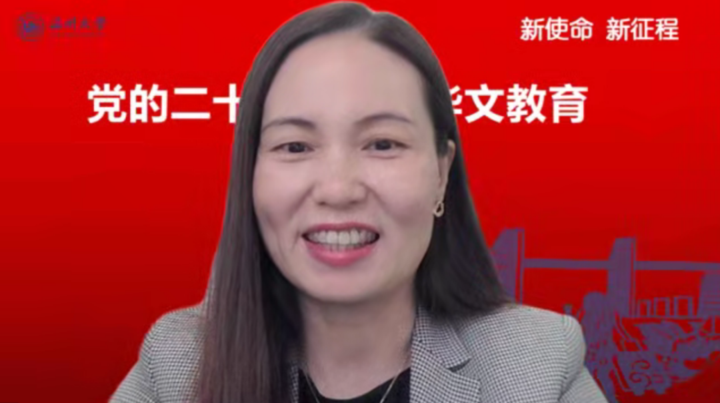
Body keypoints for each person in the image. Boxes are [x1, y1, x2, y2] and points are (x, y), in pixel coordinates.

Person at [110, 2, 608, 402]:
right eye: (295, 147)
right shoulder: (178, 364)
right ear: (250, 174)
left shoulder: (536, 365)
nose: (338, 189)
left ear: (441, 174)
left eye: (382, 143)